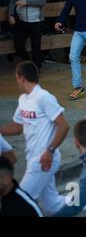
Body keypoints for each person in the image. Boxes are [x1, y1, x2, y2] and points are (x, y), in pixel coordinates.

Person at [0, 61, 69, 215]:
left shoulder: (44, 97)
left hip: (44, 159)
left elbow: (63, 125)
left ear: (22, 78)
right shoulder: (23, 99)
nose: (16, 81)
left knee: (20, 201)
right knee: (52, 205)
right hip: (33, 158)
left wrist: (49, 151)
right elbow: (17, 127)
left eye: (16, 77)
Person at [8, 0, 47, 70]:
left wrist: (25, 2)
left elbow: (42, 1)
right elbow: (12, 1)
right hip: (21, 21)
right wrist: (11, 15)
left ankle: (37, 69)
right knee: (18, 45)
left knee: (36, 48)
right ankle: (29, 64)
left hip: (36, 22)